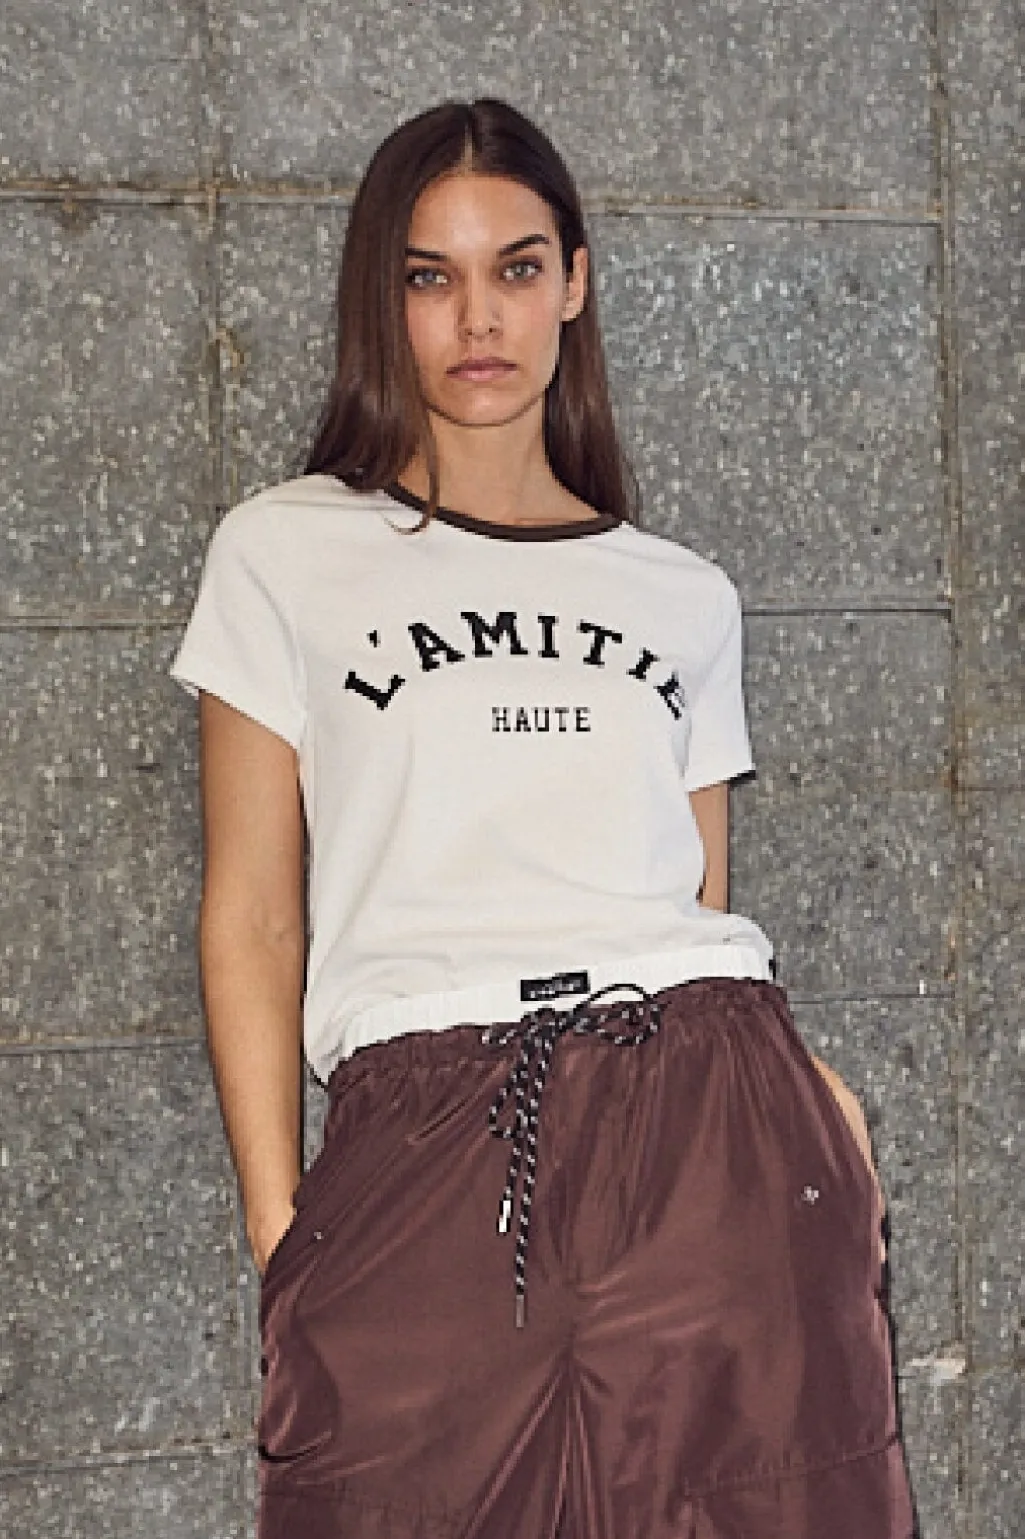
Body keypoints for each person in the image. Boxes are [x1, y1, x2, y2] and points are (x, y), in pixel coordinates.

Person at [170, 98, 913, 1539]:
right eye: (430, 276)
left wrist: (814, 1102)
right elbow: (252, 913)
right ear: (382, 300)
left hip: (716, 1126)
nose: (478, 318)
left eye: (516, 268)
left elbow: (692, 897)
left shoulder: (681, 595)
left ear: (574, 282)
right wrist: (283, 1229)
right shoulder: (284, 552)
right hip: (427, 1130)